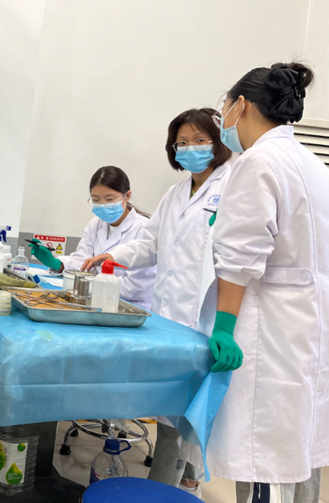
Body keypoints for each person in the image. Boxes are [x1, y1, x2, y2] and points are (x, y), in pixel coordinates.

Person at [83, 108, 233, 496]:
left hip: (205, 317)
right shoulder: (176, 193)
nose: (190, 149)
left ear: (218, 142)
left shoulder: (233, 185)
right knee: (172, 413)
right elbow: (149, 244)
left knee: (184, 418)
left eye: (199, 140)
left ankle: (172, 487)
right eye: (181, 142)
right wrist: (115, 256)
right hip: (169, 316)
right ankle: (180, 482)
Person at [204, 63, 326, 503]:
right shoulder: (313, 164)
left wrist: (223, 327)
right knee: (298, 449)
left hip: (267, 334)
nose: (223, 120)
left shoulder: (258, 161)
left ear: (241, 105)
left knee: (264, 458)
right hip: (306, 332)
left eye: (223, 108)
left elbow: (239, 260)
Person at [30, 166, 156, 309]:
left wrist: (92, 284)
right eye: (96, 200)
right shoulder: (96, 224)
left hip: (132, 306)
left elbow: (137, 287)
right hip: (98, 300)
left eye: (109, 199)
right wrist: (58, 264)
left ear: (127, 196)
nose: (103, 205)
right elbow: (84, 262)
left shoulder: (144, 229)